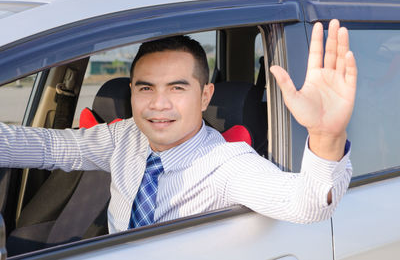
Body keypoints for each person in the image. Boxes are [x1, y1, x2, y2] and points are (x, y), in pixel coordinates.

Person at [0, 19, 356, 233]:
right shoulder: (124, 136)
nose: (158, 104)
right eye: (146, 88)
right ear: (132, 92)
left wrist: (326, 136)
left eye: (177, 88)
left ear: (204, 96)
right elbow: (47, 147)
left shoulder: (227, 163)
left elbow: (308, 205)